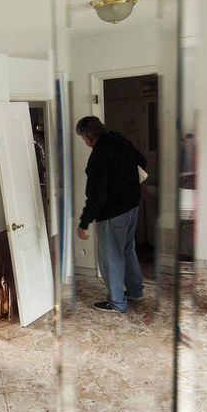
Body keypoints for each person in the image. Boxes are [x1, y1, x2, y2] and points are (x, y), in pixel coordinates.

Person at [76, 116, 147, 313]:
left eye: (83, 139)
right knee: (127, 249)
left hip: (113, 213)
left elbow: (96, 195)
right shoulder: (120, 140)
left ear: (89, 137)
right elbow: (142, 161)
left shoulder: (99, 154)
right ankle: (135, 291)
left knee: (111, 257)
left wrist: (84, 223)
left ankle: (117, 301)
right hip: (132, 206)